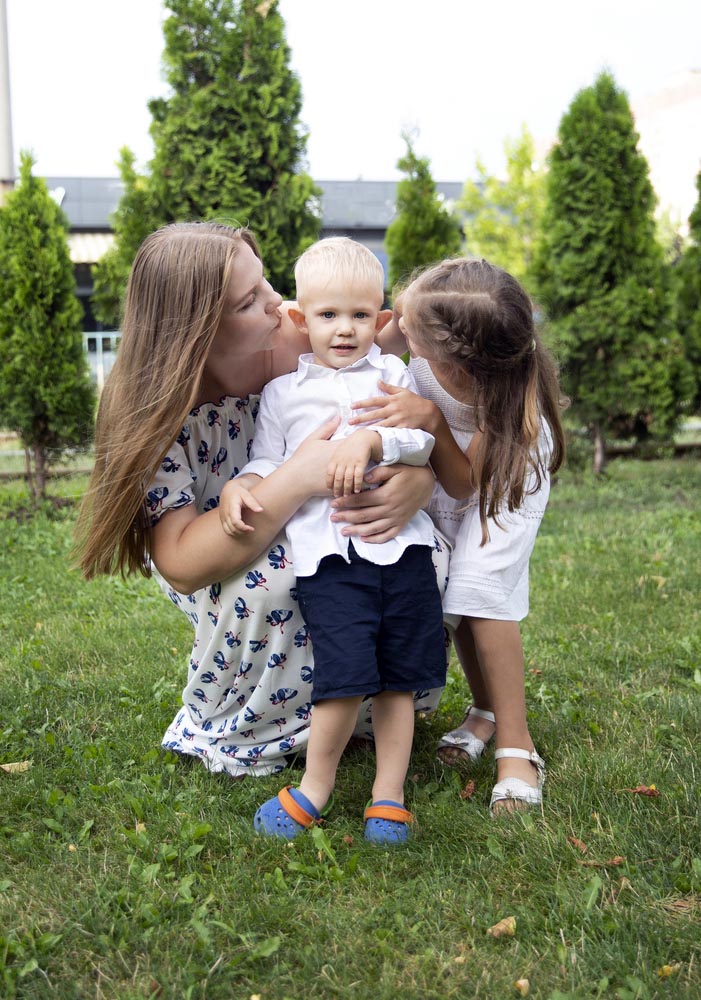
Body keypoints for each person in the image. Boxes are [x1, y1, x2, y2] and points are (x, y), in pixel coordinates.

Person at [73, 221, 447, 781]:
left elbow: (417, 357)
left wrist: (418, 474)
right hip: (217, 536)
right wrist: (297, 477)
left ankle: (369, 709)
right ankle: (271, 725)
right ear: (196, 333)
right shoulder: (148, 409)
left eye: (266, 281)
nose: (279, 303)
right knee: (278, 578)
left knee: (412, 553)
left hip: (331, 507)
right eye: (251, 300)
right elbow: (179, 564)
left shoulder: (303, 332)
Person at [219, 237, 447, 844]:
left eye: (359, 315)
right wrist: (241, 485)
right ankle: (314, 790)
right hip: (330, 558)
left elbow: (421, 443)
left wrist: (373, 442)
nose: (344, 330)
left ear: (382, 320)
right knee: (343, 677)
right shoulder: (284, 394)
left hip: (403, 549)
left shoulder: (394, 375)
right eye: (327, 315)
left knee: (400, 677)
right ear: (300, 318)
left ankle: (388, 796)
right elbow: (267, 460)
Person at [350, 257, 566, 814]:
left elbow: (466, 479)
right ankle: (485, 711)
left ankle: (517, 746)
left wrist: (432, 420)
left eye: (407, 329)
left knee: (481, 589)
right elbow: (365, 334)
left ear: (458, 361)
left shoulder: (506, 400)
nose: (396, 328)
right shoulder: (415, 320)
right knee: (452, 589)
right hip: (447, 468)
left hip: (505, 476)